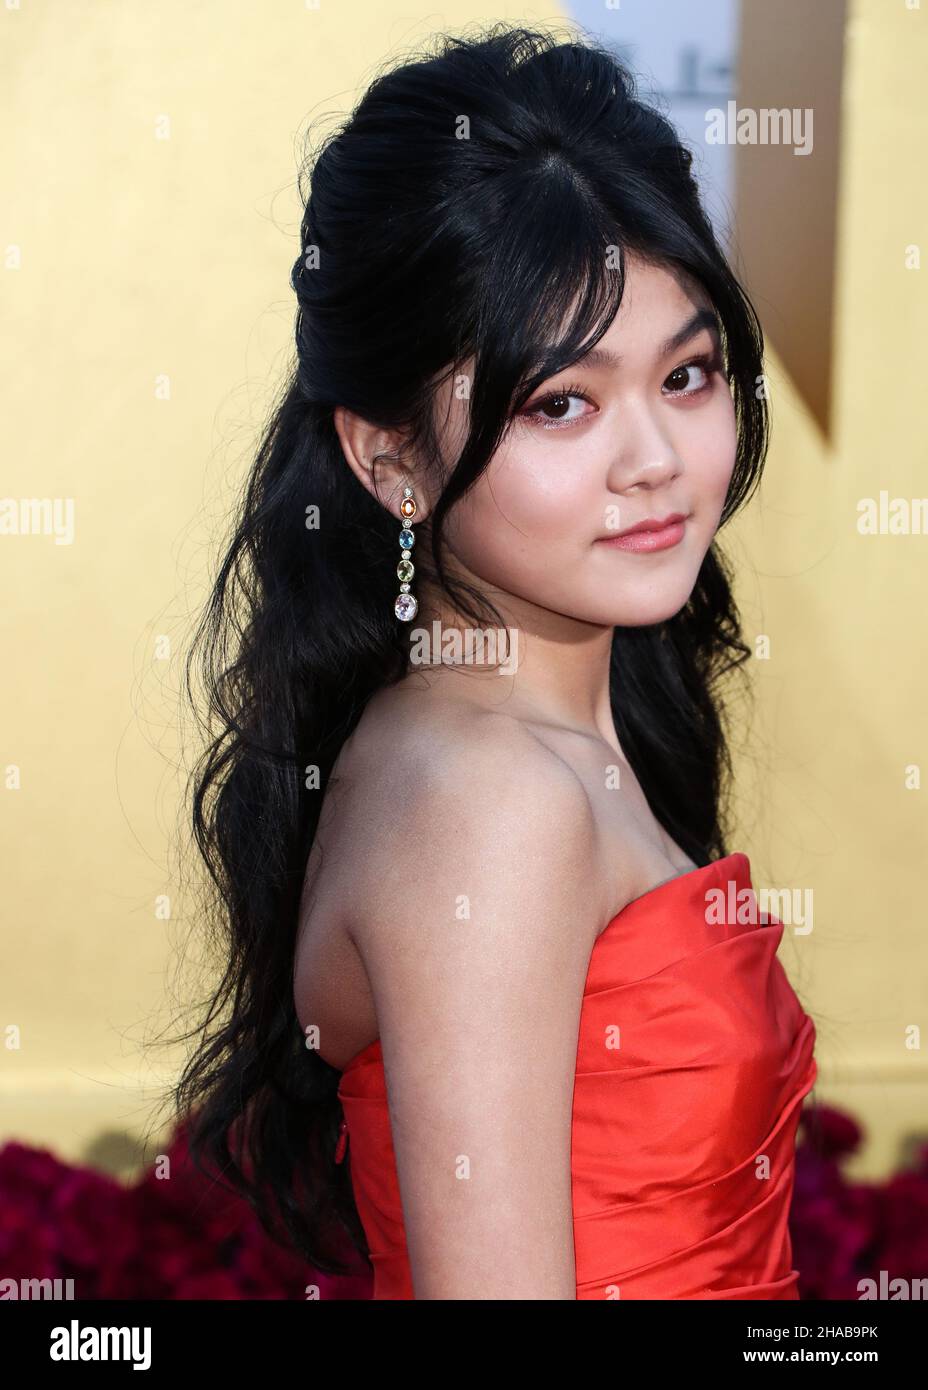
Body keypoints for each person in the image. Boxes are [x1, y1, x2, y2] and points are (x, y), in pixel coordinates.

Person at [173, 23, 817, 1300]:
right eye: (560, 403)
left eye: (687, 374)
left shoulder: (518, 730)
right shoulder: (490, 801)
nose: (652, 458)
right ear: (389, 458)